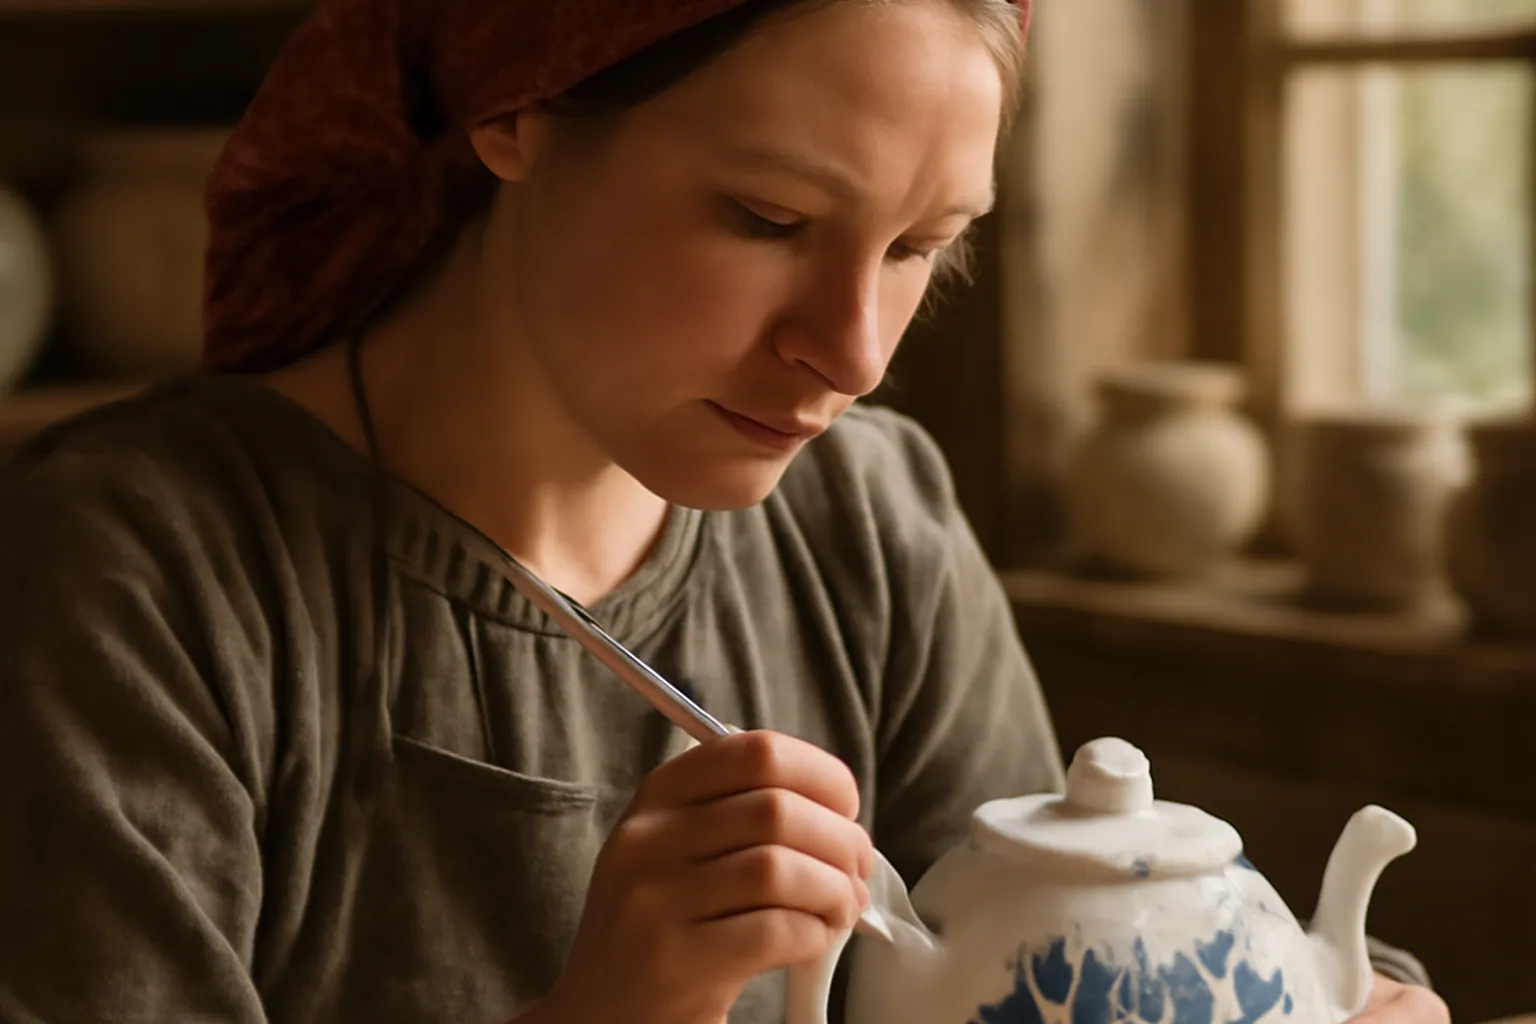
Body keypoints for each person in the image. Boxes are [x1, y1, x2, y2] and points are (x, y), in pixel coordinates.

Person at [0, 1, 1450, 1022]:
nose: (858, 352)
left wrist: (1332, 998)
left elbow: (1042, 974)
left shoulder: (870, 522)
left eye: (918, 249)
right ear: (514, 102)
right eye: (768, 221)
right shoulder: (132, 572)